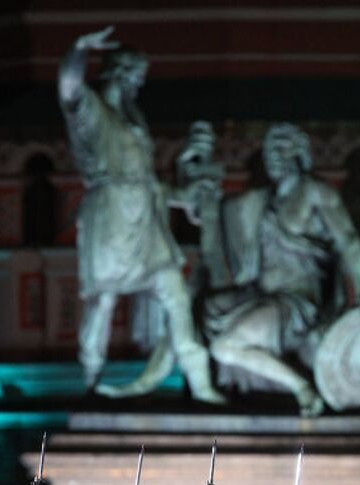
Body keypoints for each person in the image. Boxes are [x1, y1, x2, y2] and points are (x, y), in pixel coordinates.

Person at [58, 27, 223, 403]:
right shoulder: (93, 112)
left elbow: (146, 182)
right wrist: (79, 48)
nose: (138, 85)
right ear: (119, 74)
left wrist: (181, 196)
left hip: (146, 218)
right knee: (103, 299)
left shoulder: (135, 122)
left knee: (176, 294)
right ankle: (91, 377)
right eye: (135, 77)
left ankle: (200, 382)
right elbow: (68, 88)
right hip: (111, 217)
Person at [203, 123, 360, 416]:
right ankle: (211, 390)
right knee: (205, 306)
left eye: (281, 148)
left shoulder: (315, 192)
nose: (273, 156)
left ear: (299, 153)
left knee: (225, 346)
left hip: (296, 302)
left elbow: (348, 240)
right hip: (261, 294)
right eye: (269, 150)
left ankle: (302, 388)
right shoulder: (264, 200)